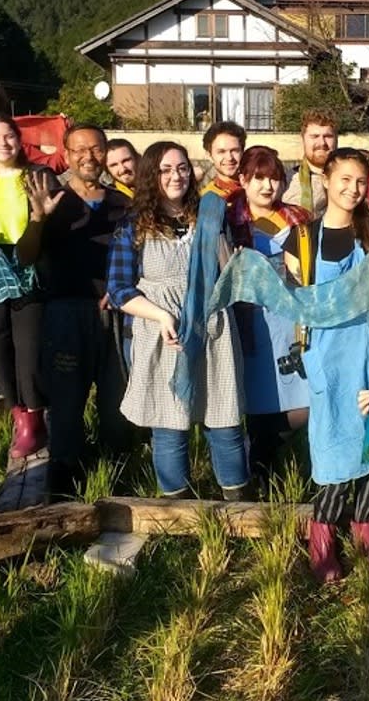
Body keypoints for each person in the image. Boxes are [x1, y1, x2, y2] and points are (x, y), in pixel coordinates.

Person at [282, 147, 369, 583]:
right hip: (331, 359)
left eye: (361, 181)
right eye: (345, 180)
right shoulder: (301, 240)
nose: (354, 189)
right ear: (325, 180)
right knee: (334, 450)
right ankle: (321, 535)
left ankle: (367, 533)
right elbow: (296, 301)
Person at [106, 141, 249, 499]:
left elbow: (227, 273)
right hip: (161, 333)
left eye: (182, 168)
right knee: (169, 426)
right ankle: (176, 511)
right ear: (151, 175)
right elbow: (119, 289)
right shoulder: (132, 225)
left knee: (225, 420)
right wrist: (161, 314)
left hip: (212, 327)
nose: (176, 176)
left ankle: (239, 508)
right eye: (166, 169)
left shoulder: (212, 215)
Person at [28, 125, 135, 500]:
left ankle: (118, 485)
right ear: (67, 154)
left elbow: (137, 259)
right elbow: (26, 256)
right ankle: (63, 494)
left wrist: (122, 290)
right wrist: (38, 218)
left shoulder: (123, 204)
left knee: (117, 404)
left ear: (106, 152)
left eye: (96, 148)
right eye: (79, 150)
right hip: (65, 313)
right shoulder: (51, 198)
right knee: (67, 403)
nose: (88, 156)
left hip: (115, 316)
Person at [0, 114, 55, 460]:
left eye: (9, 137)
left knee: (28, 350)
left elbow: (50, 225)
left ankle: (34, 420)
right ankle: (20, 417)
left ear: (19, 140)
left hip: (29, 270)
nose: (3, 143)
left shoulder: (36, 177)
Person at [226, 145, 311, 494]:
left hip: (292, 322)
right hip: (252, 325)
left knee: (304, 402)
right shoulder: (230, 222)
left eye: (275, 178)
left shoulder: (299, 219)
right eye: (259, 178)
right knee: (260, 402)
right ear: (243, 179)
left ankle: (280, 459)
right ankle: (261, 474)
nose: (267, 186)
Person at [282, 109, 338, 216]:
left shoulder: (351, 180)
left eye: (328, 136)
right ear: (303, 139)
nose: (322, 143)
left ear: (336, 139)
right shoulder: (286, 182)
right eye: (314, 136)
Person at [200, 121, 246, 201]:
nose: (229, 158)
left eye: (234, 150)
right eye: (221, 152)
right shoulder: (205, 198)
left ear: (242, 151)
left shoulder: (256, 190)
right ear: (209, 155)